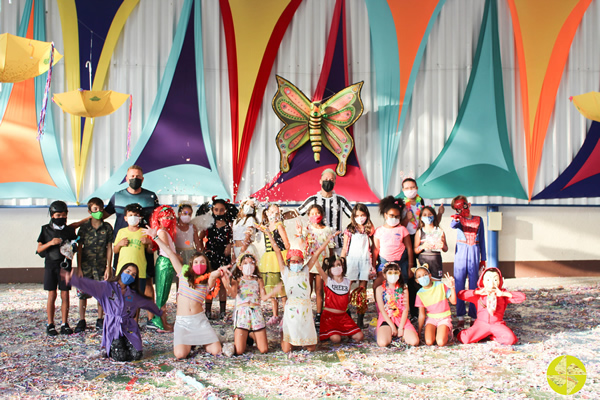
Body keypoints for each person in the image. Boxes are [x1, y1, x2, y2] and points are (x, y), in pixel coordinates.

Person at [144, 227, 225, 358]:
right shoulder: (182, 274)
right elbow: (170, 253)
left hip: (199, 322)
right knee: (180, 355)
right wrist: (155, 237)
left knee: (216, 350)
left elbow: (214, 276)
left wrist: (219, 273)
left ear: (206, 265)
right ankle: (190, 343)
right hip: (183, 323)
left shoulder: (206, 281)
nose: (199, 264)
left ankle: (197, 340)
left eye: (202, 262)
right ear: (191, 265)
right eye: (196, 262)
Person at [63, 263, 162, 361]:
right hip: (113, 326)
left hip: (128, 327)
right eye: (128, 271)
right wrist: (73, 280)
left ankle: (125, 342)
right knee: (120, 356)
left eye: (133, 274)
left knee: (136, 355)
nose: (130, 275)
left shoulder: (133, 293)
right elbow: (92, 285)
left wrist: (160, 312)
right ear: (121, 272)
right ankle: (111, 346)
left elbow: (147, 303)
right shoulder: (107, 287)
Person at [259, 227, 317, 353]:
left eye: (299, 261)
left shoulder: (305, 271)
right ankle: (285, 333)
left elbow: (315, 255)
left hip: (305, 311)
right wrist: (269, 234)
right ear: (288, 262)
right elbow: (278, 251)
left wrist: (326, 241)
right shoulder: (286, 272)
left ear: (302, 262)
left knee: (311, 348)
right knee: (286, 350)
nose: (296, 263)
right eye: (293, 261)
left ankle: (300, 337)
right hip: (291, 310)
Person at [222, 253, 282, 355]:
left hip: (256, 313)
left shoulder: (258, 280)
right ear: (240, 267)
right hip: (242, 313)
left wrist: (273, 291)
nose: (248, 265)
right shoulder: (237, 280)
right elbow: (232, 294)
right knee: (239, 351)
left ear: (255, 265)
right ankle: (246, 334)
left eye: (251, 263)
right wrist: (225, 282)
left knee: (264, 350)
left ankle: (251, 334)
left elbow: (263, 297)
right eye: (245, 263)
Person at [311, 234, 364, 344]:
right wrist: (326, 242)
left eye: (338, 264)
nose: (336, 267)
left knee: (359, 336)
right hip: (329, 317)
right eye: (333, 266)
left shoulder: (348, 281)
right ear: (329, 269)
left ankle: (345, 333)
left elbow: (361, 274)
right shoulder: (327, 280)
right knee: (336, 339)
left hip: (343, 317)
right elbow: (317, 265)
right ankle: (335, 333)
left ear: (342, 266)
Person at [36, 200, 78, 336]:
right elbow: (39, 249)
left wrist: (73, 248)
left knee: (65, 294)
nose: (60, 218)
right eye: (57, 215)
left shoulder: (70, 231)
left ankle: (65, 323)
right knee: (52, 294)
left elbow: (75, 245)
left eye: (63, 215)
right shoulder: (45, 229)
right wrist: (50, 243)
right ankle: (50, 324)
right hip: (50, 265)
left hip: (64, 265)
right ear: (52, 215)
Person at [456, 267, 526, 345]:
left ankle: (491, 336)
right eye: (488, 280)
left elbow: (522, 297)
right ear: (483, 281)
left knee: (510, 339)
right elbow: (460, 295)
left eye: (495, 280)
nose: (492, 283)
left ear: (500, 281)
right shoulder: (480, 294)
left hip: (497, 324)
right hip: (481, 324)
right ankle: (465, 332)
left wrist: (503, 294)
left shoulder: (502, 293)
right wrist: (477, 292)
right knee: (465, 339)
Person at [74, 197, 114, 333]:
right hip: (86, 265)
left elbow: (110, 247)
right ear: (89, 211)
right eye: (95, 209)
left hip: (101, 265)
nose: (98, 211)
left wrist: (109, 267)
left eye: (100, 209)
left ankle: (100, 318)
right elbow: (79, 248)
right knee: (83, 294)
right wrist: (79, 268)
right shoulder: (84, 228)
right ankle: (82, 319)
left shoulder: (107, 227)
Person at [289, 168, 352, 250]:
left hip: (337, 246)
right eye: (325, 179)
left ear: (335, 182)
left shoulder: (341, 200)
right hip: (316, 246)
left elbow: (354, 216)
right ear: (320, 181)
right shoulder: (312, 200)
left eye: (331, 179)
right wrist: (278, 216)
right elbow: (297, 212)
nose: (328, 181)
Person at [450, 195, 486, 327]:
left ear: (468, 204)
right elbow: (453, 225)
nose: (462, 210)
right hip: (461, 252)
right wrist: (456, 218)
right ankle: (460, 316)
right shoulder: (459, 220)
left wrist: (484, 259)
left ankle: (473, 316)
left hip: (474, 251)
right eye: (458, 209)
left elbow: (482, 239)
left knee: (473, 286)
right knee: (459, 284)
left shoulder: (478, 219)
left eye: (463, 206)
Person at [113, 203, 154, 317]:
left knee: (135, 298)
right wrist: (120, 244)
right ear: (125, 218)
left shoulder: (144, 232)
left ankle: (134, 323)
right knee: (120, 296)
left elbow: (150, 251)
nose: (133, 217)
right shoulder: (121, 232)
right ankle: (120, 320)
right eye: (130, 215)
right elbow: (115, 250)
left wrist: (149, 243)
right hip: (122, 271)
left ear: (140, 218)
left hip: (139, 271)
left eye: (136, 215)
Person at [297, 204, 334, 326]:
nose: (315, 216)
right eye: (312, 214)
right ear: (308, 216)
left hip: (322, 263)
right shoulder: (306, 229)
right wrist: (300, 234)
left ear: (322, 215)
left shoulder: (327, 229)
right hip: (309, 262)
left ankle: (319, 314)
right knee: (307, 289)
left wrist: (330, 263)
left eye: (317, 213)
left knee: (319, 290)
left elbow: (331, 247)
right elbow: (302, 245)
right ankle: (306, 312)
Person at [198, 198, 234, 319]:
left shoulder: (229, 223)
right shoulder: (208, 223)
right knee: (210, 282)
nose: (218, 212)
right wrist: (203, 250)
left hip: (224, 257)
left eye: (221, 210)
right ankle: (208, 310)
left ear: (226, 210)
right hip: (211, 257)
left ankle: (222, 311)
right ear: (212, 210)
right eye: (216, 210)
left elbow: (233, 238)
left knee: (223, 284)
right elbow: (199, 237)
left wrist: (230, 245)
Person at [341, 203, 375, 328]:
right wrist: (342, 262)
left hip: (365, 260)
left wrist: (374, 263)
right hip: (351, 261)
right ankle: (346, 314)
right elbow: (345, 248)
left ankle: (360, 319)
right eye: (357, 215)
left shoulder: (369, 229)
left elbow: (374, 245)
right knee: (346, 288)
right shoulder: (349, 229)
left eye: (363, 215)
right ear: (353, 216)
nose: (360, 218)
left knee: (362, 290)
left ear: (367, 215)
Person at [373, 196, 413, 299]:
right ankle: (381, 308)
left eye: (397, 216)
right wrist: (373, 266)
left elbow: (409, 248)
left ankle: (400, 308)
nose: (394, 218)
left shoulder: (402, 229)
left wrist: (410, 267)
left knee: (401, 286)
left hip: (401, 262)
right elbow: (376, 249)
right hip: (384, 262)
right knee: (378, 285)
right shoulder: (379, 230)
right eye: (391, 215)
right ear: (385, 215)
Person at [258, 203, 290, 325]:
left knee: (282, 289)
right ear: (266, 213)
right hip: (268, 260)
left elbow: (287, 244)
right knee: (271, 286)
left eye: (277, 213)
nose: (274, 215)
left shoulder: (279, 226)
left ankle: (286, 314)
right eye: (271, 212)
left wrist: (284, 256)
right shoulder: (266, 227)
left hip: (278, 258)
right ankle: (275, 315)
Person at [375, 263, 419, 347]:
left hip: (400, 317)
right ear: (384, 275)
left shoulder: (404, 288)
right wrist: (392, 326)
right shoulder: (379, 289)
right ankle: (387, 332)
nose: (393, 275)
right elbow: (382, 310)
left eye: (396, 273)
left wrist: (401, 327)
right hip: (386, 318)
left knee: (414, 341)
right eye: (390, 273)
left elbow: (406, 309)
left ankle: (398, 334)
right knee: (383, 343)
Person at [149, 205, 178, 331]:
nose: (169, 219)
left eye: (171, 217)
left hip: (167, 263)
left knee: (164, 294)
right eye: (166, 217)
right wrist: (179, 259)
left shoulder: (165, 232)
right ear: (159, 218)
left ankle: (163, 321)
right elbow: (168, 250)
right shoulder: (161, 232)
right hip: (165, 263)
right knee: (162, 294)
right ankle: (160, 322)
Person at [414, 265, 456, 347]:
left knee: (440, 342)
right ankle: (437, 330)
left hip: (444, 318)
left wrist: (452, 287)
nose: (422, 277)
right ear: (417, 281)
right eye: (419, 277)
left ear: (430, 275)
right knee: (429, 342)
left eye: (425, 275)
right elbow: (422, 315)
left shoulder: (440, 285)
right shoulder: (419, 293)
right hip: (431, 319)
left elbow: (453, 301)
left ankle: (446, 331)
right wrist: (419, 332)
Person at [413, 206, 448, 281]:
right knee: (425, 283)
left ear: (434, 216)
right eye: (425, 215)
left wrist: (443, 246)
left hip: (436, 263)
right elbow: (415, 250)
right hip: (424, 262)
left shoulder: (439, 231)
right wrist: (422, 246)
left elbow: (446, 249)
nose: (427, 217)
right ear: (421, 218)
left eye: (430, 214)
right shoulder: (419, 232)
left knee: (437, 284)